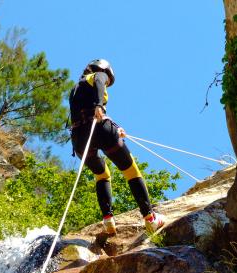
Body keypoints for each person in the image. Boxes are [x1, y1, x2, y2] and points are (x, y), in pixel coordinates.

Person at [69, 59, 165, 235]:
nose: (106, 82)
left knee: (102, 174)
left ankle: (108, 220)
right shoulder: (97, 75)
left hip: (79, 141)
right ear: (104, 70)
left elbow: (84, 112)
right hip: (99, 128)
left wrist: (116, 125)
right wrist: (99, 105)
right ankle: (150, 218)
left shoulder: (75, 89)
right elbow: (99, 82)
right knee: (131, 170)